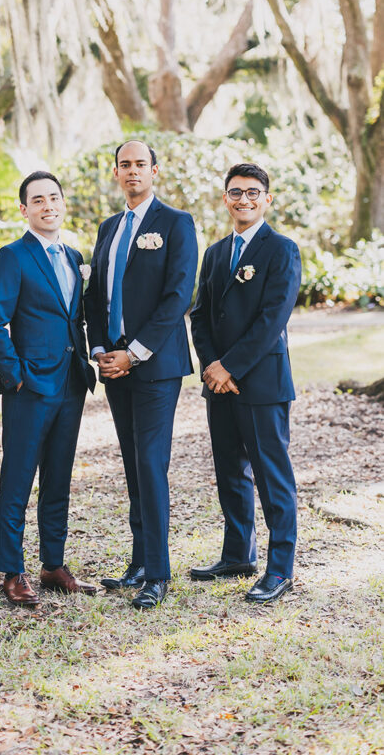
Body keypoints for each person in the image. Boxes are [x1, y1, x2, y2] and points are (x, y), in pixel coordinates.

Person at [85, 141, 198, 610]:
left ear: (155, 170)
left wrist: (134, 352)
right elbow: (95, 296)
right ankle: (137, 562)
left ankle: (158, 572)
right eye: (125, 165)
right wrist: (99, 349)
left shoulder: (176, 223)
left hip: (156, 366)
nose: (133, 172)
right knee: (132, 465)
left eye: (140, 165)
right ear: (116, 173)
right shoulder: (110, 228)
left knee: (151, 465)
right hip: (114, 367)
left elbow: (178, 296)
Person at [0, 171, 97, 606]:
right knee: (18, 478)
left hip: (70, 383)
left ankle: (53, 563)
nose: (48, 205)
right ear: (24, 209)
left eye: (54, 197)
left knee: (59, 477)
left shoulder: (73, 255)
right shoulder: (13, 256)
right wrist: (16, 374)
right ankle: (12, 570)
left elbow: (77, 318)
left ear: (62, 203)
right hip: (30, 386)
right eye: (38, 200)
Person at [189, 162, 301, 603]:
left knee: (273, 479)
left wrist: (230, 367)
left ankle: (280, 568)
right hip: (219, 385)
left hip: (261, 383)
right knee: (230, 472)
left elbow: (272, 319)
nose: (244, 200)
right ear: (225, 199)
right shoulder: (216, 253)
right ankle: (238, 554)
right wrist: (212, 366)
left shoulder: (282, 249)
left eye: (253, 193)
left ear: (266, 199)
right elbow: (199, 316)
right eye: (236, 192)